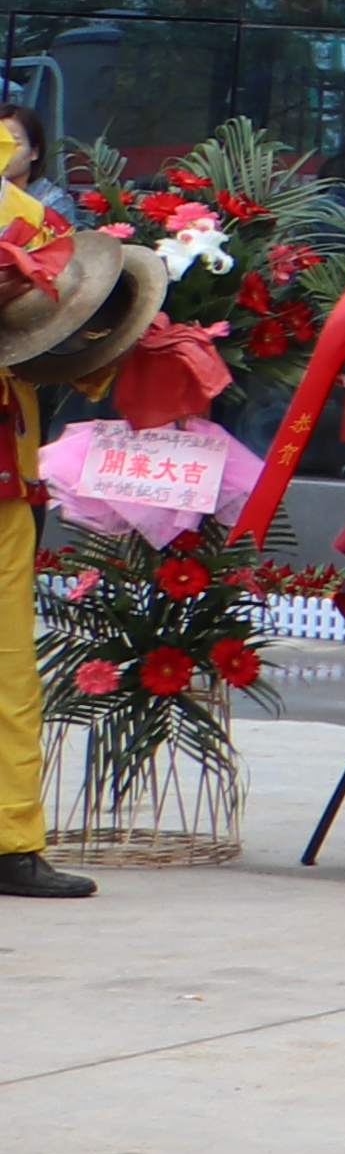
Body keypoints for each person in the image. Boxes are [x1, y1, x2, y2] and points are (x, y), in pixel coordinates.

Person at [0, 127, 89, 907]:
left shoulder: (28, 216)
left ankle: (12, 841)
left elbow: (68, 327)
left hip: (4, 473)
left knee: (8, 665)